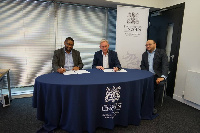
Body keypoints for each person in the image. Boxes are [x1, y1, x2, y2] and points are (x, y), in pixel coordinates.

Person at [140, 39, 168, 114]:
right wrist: (146, 74)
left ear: (155, 44)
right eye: (146, 45)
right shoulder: (144, 54)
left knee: (160, 84)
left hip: (158, 75)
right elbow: (142, 65)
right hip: (148, 75)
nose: (148, 46)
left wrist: (162, 77)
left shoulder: (161, 53)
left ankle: (153, 105)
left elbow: (165, 66)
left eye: (149, 44)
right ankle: (142, 103)